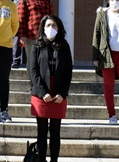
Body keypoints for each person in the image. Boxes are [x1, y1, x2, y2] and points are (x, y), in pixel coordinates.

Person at [29, 15, 73, 162]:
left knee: (55, 131)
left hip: (58, 92)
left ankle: (54, 160)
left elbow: (68, 72)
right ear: (43, 28)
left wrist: (62, 93)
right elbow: (33, 71)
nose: (51, 29)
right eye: (48, 26)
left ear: (58, 28)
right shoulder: (37, 46)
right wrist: (43, 93)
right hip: (41, 93)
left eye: (54, 26)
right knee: (41, 132)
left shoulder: (64, 46)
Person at [18, 0, 53, 65]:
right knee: (32, 62)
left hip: (45, 36)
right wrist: (22, 35)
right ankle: (33, 79)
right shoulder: (24, 0)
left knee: (45, 61)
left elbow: (51, 17)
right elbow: (20, 19)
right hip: (31, 37)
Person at [7, 0, 31, 68]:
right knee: (16, 38)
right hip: (17, 15)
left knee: (29, 37)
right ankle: (15, 61)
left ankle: (30, 61)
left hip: (29, 15)